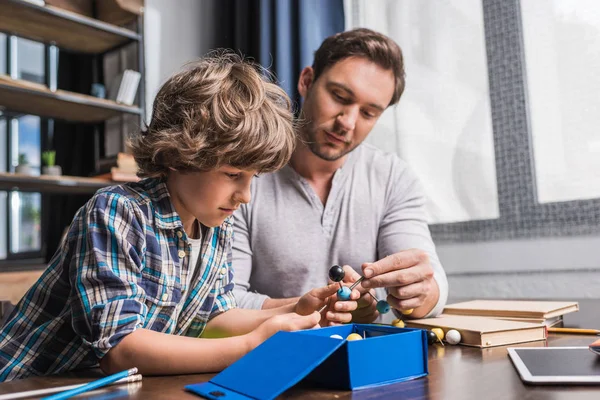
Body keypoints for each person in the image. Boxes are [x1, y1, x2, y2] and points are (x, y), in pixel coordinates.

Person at [0, 52, 359, 382]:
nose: (245, 196)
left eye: (253, 179)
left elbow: (210, 321)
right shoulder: (117, 213)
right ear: (179, 154)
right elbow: (120, 350)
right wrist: (252, 345)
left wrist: (293, 311)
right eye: (233, 175)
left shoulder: (215, 225)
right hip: (23, 384)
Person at [233, 29, 448, 322]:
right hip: (272, 358)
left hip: (367, 359)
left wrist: (421, 292)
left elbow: (431, 288)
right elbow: (223, 299)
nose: (347, 122)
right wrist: (315, 308)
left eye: (369, 113)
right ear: (307, 81)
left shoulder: (392, 178)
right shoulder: (244, 172)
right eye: (339, 97)